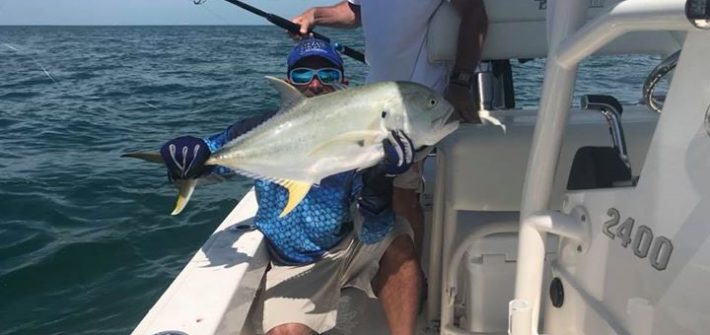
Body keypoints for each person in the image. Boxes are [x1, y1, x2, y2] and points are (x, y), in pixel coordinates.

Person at [160, 38, 422, 335]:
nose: (314, 83)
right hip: (295, 264)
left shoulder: (362, 132)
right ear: (288, 83)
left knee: (399, 245)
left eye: (327, 75)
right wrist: (183, 161)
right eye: (301, 75)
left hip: (350, 246)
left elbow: (373, 231)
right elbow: (210, 160)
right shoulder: (258, 129)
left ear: (343, 82)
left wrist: (381, 180)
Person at [291, 0, 488, 262]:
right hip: (377, 104)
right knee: (367, 189)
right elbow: (356, 11)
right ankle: (375, 265)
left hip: (417, 110)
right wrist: (316, 15)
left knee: (400, 194)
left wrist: (461, 83)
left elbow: (475, 13)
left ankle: (412, 276)